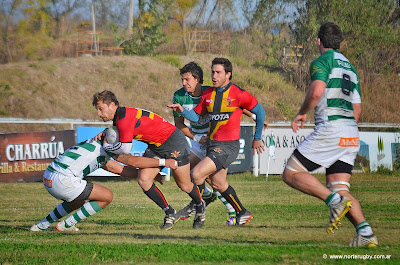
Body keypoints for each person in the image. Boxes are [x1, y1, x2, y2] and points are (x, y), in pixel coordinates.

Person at [282, 22, 378, 247]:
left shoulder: (323, 61)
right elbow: (357, 110)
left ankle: (333, 202)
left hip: (332, 129)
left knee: (291, 173)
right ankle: (365, 233)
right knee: (340, 187)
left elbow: (316, 91)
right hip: (350, 133)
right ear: (339, 42)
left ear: (318, 41)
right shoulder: (351, 68)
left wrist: (301, 113)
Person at [168, 57, 266, 228]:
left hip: (228, 145)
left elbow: (256, 111)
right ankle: (241, 212)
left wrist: (257, 136)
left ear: (228, 74)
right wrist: (183, 111)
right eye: (213, 71)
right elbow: (197, 117)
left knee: (197, 174)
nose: (214, 75)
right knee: (218, 183)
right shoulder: (208, 94)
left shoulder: (238, 93)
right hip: (210, 143)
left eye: (218, 72)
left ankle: (198, 209)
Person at [92, 90, 204, 230]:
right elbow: (120, 132)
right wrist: (106, 133)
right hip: (156, 145)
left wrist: (106, 147)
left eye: (101, 109)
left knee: (185, 186)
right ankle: (170, 212)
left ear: (112, 105)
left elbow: (125, 149)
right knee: (144, 179)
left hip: (173, 141)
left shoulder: (123, 118)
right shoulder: (121, 115)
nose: (99, 114)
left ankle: (200, 205)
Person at [30, 134, 177, 232]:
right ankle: (67, 225)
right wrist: (163, 162)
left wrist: (151, 174)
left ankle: (42, 225)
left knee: (77, 202)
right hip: (63, 180)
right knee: (107, 196)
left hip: (49, 177)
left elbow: (121, 170)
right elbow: (133, 161)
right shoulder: (105, 149)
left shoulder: (95, 145)